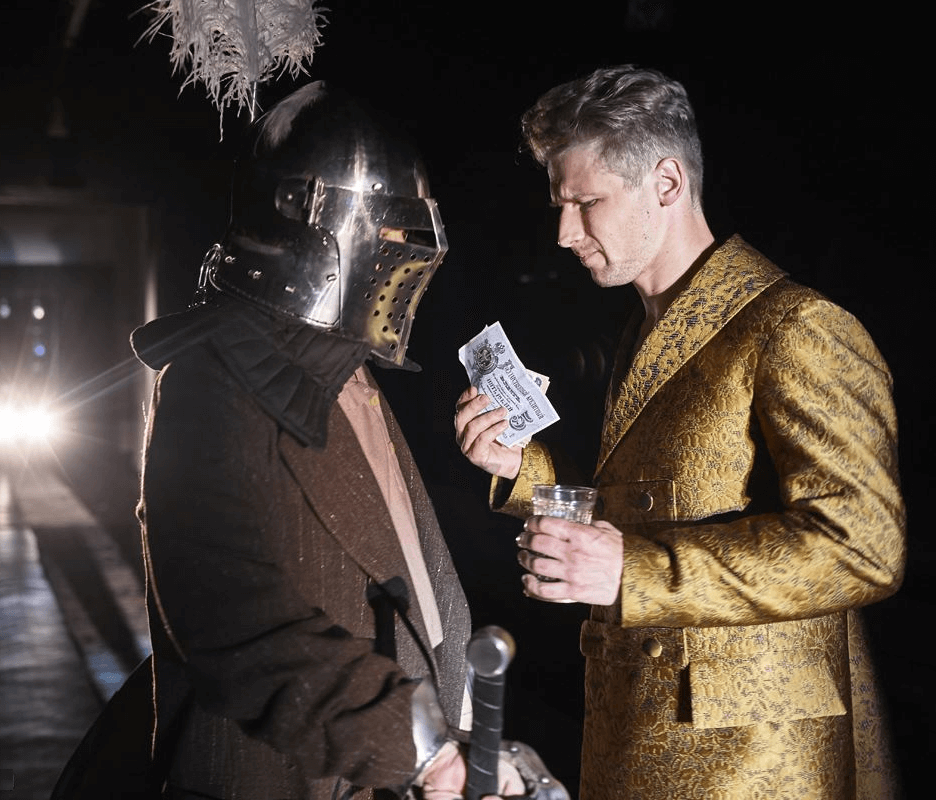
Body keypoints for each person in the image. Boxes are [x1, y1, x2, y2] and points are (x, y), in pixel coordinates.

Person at [53, 81, 560, 800]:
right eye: (392, 234)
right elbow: (234, 621)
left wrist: (457, 729)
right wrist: (419, 747)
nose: (408, 260)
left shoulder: (346, 371)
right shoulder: (211, 379)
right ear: (312, 222)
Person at [454, 65, 906, 799]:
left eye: (586, 203)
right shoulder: (644, 333)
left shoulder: (796, 327)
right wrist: (521, 467)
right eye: (561, 206)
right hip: (630, 738)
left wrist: (631, 572)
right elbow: (641, 513)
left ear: (666, 183)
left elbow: (864, 548)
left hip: (752, 767)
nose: (564, 233)